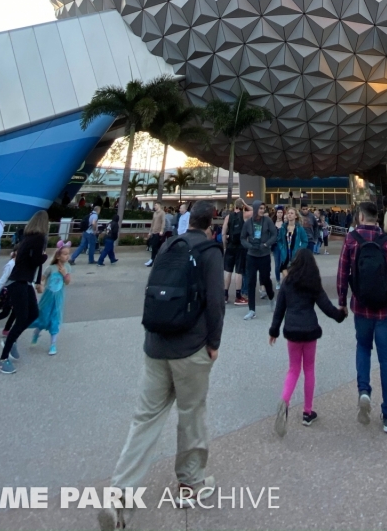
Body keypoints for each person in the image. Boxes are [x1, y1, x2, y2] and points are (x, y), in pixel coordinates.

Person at [98, 201, 224, 529]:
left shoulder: (169, 244)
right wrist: (213, 344)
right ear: (212, 222)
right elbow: (215, 302)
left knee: (144, 420)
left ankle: (119, 497)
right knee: (191, 416)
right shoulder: (210, 251)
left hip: (155, 345)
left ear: (188, 219)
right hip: (190, 348)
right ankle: (189, 485)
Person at [336, 200, 387, 434]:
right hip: (385, 309)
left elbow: (342, 272)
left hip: (361, 307)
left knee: (362, 348)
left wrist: (342, 302)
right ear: (377, 219)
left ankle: (364, 391)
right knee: (386, 359)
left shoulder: (351, 240)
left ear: (359, 217)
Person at [269, 247, 346, 434]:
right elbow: (326, 307)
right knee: (309, 369)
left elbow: (279, 309)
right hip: (310, 329)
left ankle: (284, 400)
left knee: (293, 369)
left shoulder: (288, 282)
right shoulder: (313, 283)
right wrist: (340, 315)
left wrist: (274, 331)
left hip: (292, 331)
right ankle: (307, 412)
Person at [0, 210, 49, 375]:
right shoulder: (39, 238)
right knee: (23, 317)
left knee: (33, 313)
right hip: (19, 282)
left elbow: (31, 263)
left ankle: (12, 337)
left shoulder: (27, 238)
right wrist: (44, 257)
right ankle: (2, 359)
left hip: (23, 281)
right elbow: (36, 261)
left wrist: (37, 280)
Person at [30, 241, 72, 355]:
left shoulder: (67, 267)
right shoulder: (51, 268)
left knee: (55, 319)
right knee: (43, 317)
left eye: (68, 254)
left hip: (58, 298)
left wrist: (64, 274)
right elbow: (41, 279)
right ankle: (36, 333)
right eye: (64, 254)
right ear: (58, 256)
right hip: (48, 297)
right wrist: (40, 285)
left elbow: (68, 282)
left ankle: (53, 344)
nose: (67, 256)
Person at [241, 200, 277, 319]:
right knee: (251, 281)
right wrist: (249, 246)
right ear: (255, 209)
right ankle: (251, 310)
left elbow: (274, 235)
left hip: (264, 255)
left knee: (265, 279)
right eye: (260, 208)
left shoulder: (267, 221)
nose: (262, 210)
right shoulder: (248, 223)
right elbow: (242, 238)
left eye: (263, 208)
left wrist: (267, 244)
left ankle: (271, 298)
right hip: (251, 255)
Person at [222, 198, 249, 305]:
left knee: (227, 270)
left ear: (234, 206)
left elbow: (224, 233)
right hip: (241, 246)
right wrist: (245, 204)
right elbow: (255, 211)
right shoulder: (245, 215)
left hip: (230, 246)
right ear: (242, 206)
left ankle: (225, 295)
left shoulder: (228, 217)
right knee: (239, 271)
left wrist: (225, 246)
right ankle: (238, 296)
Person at [276, 206, 309, 278]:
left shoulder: (299, 228)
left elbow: (305, 241)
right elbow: (279, 240)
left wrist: (299, 250)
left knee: (294, 279)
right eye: (288, 213)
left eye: (292, 213)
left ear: (296, 216)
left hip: (295, 257)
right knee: (286, 280)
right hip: (285, 256)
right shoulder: (283, 227)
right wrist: (281, 249)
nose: (289, 215)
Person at [272, 206, 285, 287]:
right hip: (276, 246)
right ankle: (277, 281)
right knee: (277, 264)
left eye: (281, 213)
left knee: (284, 263)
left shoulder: (285, 222)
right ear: (276, 213)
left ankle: (285, 280)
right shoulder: (272, 222)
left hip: (284, 246)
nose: (280, 214)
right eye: (278, 212)